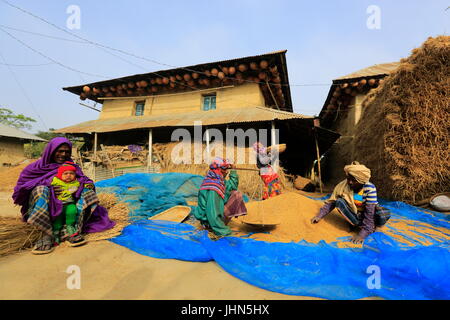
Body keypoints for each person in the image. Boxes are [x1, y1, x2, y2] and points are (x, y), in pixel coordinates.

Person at [12, 137, 115, 254]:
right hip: (43, 205)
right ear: (50, 151)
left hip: (68, 204)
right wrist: (49, 187)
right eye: (59, 151)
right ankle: (45, 233)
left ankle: (71, 229)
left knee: (87, 192)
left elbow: (84, 180)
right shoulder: (34, 168)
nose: (63, 154)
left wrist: (86, 186)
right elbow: (22, 188)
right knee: (41, 190)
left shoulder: (71, 167)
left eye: (67, 152)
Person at [311, 161, 391, 244]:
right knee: (339, 201)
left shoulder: (369, 188)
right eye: (348, 179)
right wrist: (319, 216)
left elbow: (369, 212)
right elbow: (332, 202)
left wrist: (362, 234)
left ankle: (374, 227)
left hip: (367, 216)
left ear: (361, 180)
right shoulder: (343, 185)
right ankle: (355, 224)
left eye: (354, 180)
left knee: (381, 211)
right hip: (355, 215)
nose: (349, 182)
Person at [193, 157, 247, 237]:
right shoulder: (213, 187)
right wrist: (226, 232)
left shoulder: (218, 180)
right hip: (208, 220)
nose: (227, 172)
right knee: (215, 217)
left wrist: (233, 170)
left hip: (211, 216)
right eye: (225, 169)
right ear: (219, 170)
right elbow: (212, 213)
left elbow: (232, 186)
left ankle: (219, 225)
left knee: (236, 194)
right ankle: (213, 228)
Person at [50, 161, 85, 246]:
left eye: (71, 173)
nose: (68, 175)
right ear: (60, 175)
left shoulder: (76, 183)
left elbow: (82, 185)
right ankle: (56, 234)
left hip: (69, 204)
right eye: (65, 173)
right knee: (57, 218)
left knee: (72, 211)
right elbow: (49, 186)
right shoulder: (56, 182)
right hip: (58, 205)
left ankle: (70, 227)